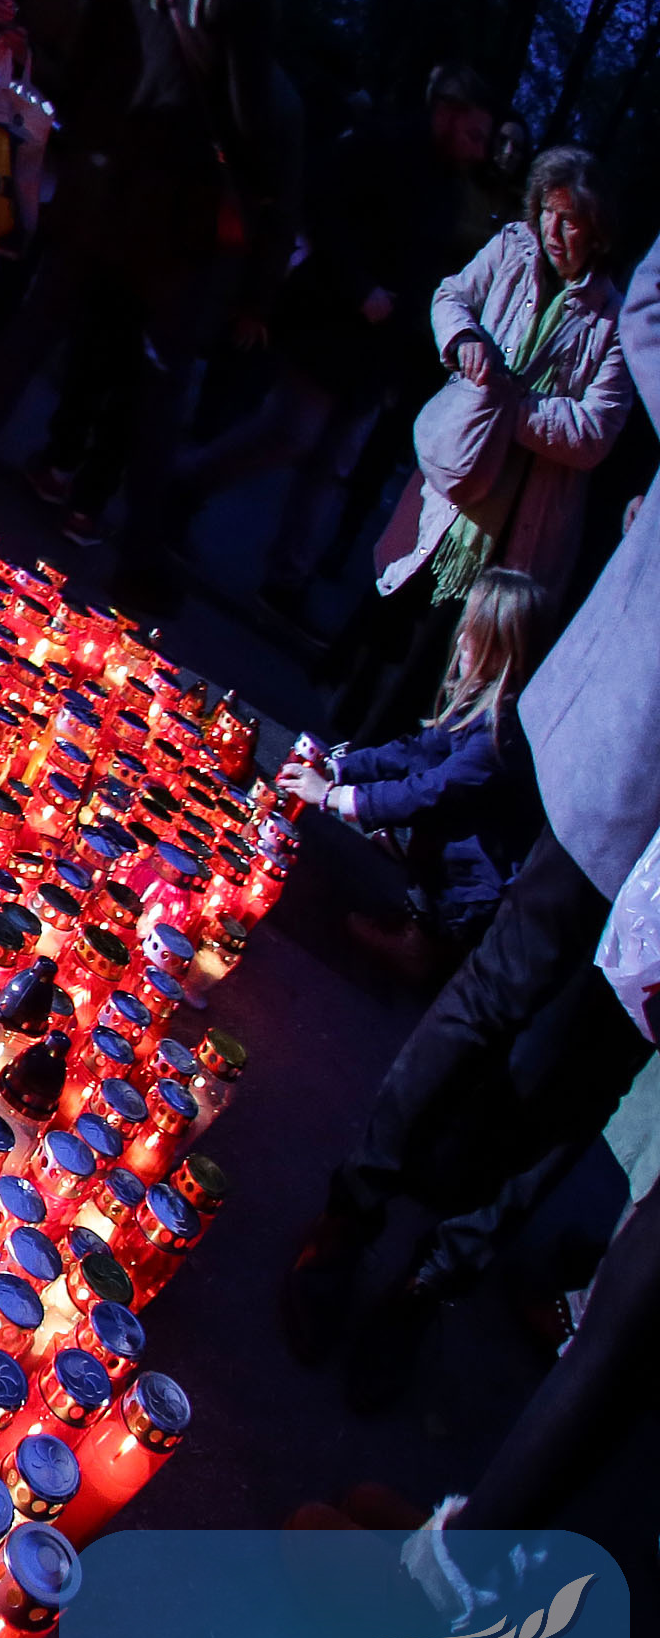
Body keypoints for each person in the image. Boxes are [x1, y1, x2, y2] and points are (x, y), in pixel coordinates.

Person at [288, 313, 660, 1405]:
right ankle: (351, 1215)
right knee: (492, 1000)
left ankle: (434, 1280)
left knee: (586, 1076)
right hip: (622, 761)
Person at [25, 0, 302, 609]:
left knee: (72, 332)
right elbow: (254, 130)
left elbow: (91, 58)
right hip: (180, 221)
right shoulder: (239, 7)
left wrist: (82, 139)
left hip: (113, 185)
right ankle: (108, 524)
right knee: (152, 380)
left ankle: (31, 462)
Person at [330, 150, 629, 740]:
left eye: (570, 220)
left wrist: (508, 404)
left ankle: (377, 756)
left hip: (518, 517)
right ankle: (341, 722)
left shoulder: (611, 321)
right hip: (455, 471)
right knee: (396, 599)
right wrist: (464, 337)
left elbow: (594, 431)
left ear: (597, 232)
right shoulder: (512, 249)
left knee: (448, 651)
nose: (553, 229)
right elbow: (451, 297)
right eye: (548, 211)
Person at [234, 69, 507, 616]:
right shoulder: (383, 146)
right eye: (474, 135)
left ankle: (286, 578)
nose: (479, 151)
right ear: (447, 114)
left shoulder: (448, 189)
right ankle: (188, 487)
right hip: (333, 323)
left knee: (331, 464)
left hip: (377, 348)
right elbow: (326, 209)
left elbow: (426, 272)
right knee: (288, 434)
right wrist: (358, 287)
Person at [280, 566, 547, 979]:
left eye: (474, 633)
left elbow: (430, 790)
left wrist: (332, 797)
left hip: (477, 880)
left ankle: (426, 940)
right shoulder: (486, 701)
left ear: (500, 649)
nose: (461, 639)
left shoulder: (500, 735)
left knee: (437, 819)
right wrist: (341, 767)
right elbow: (417, 751)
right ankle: (424, 906)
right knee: (422, 782)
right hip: (464, 856)